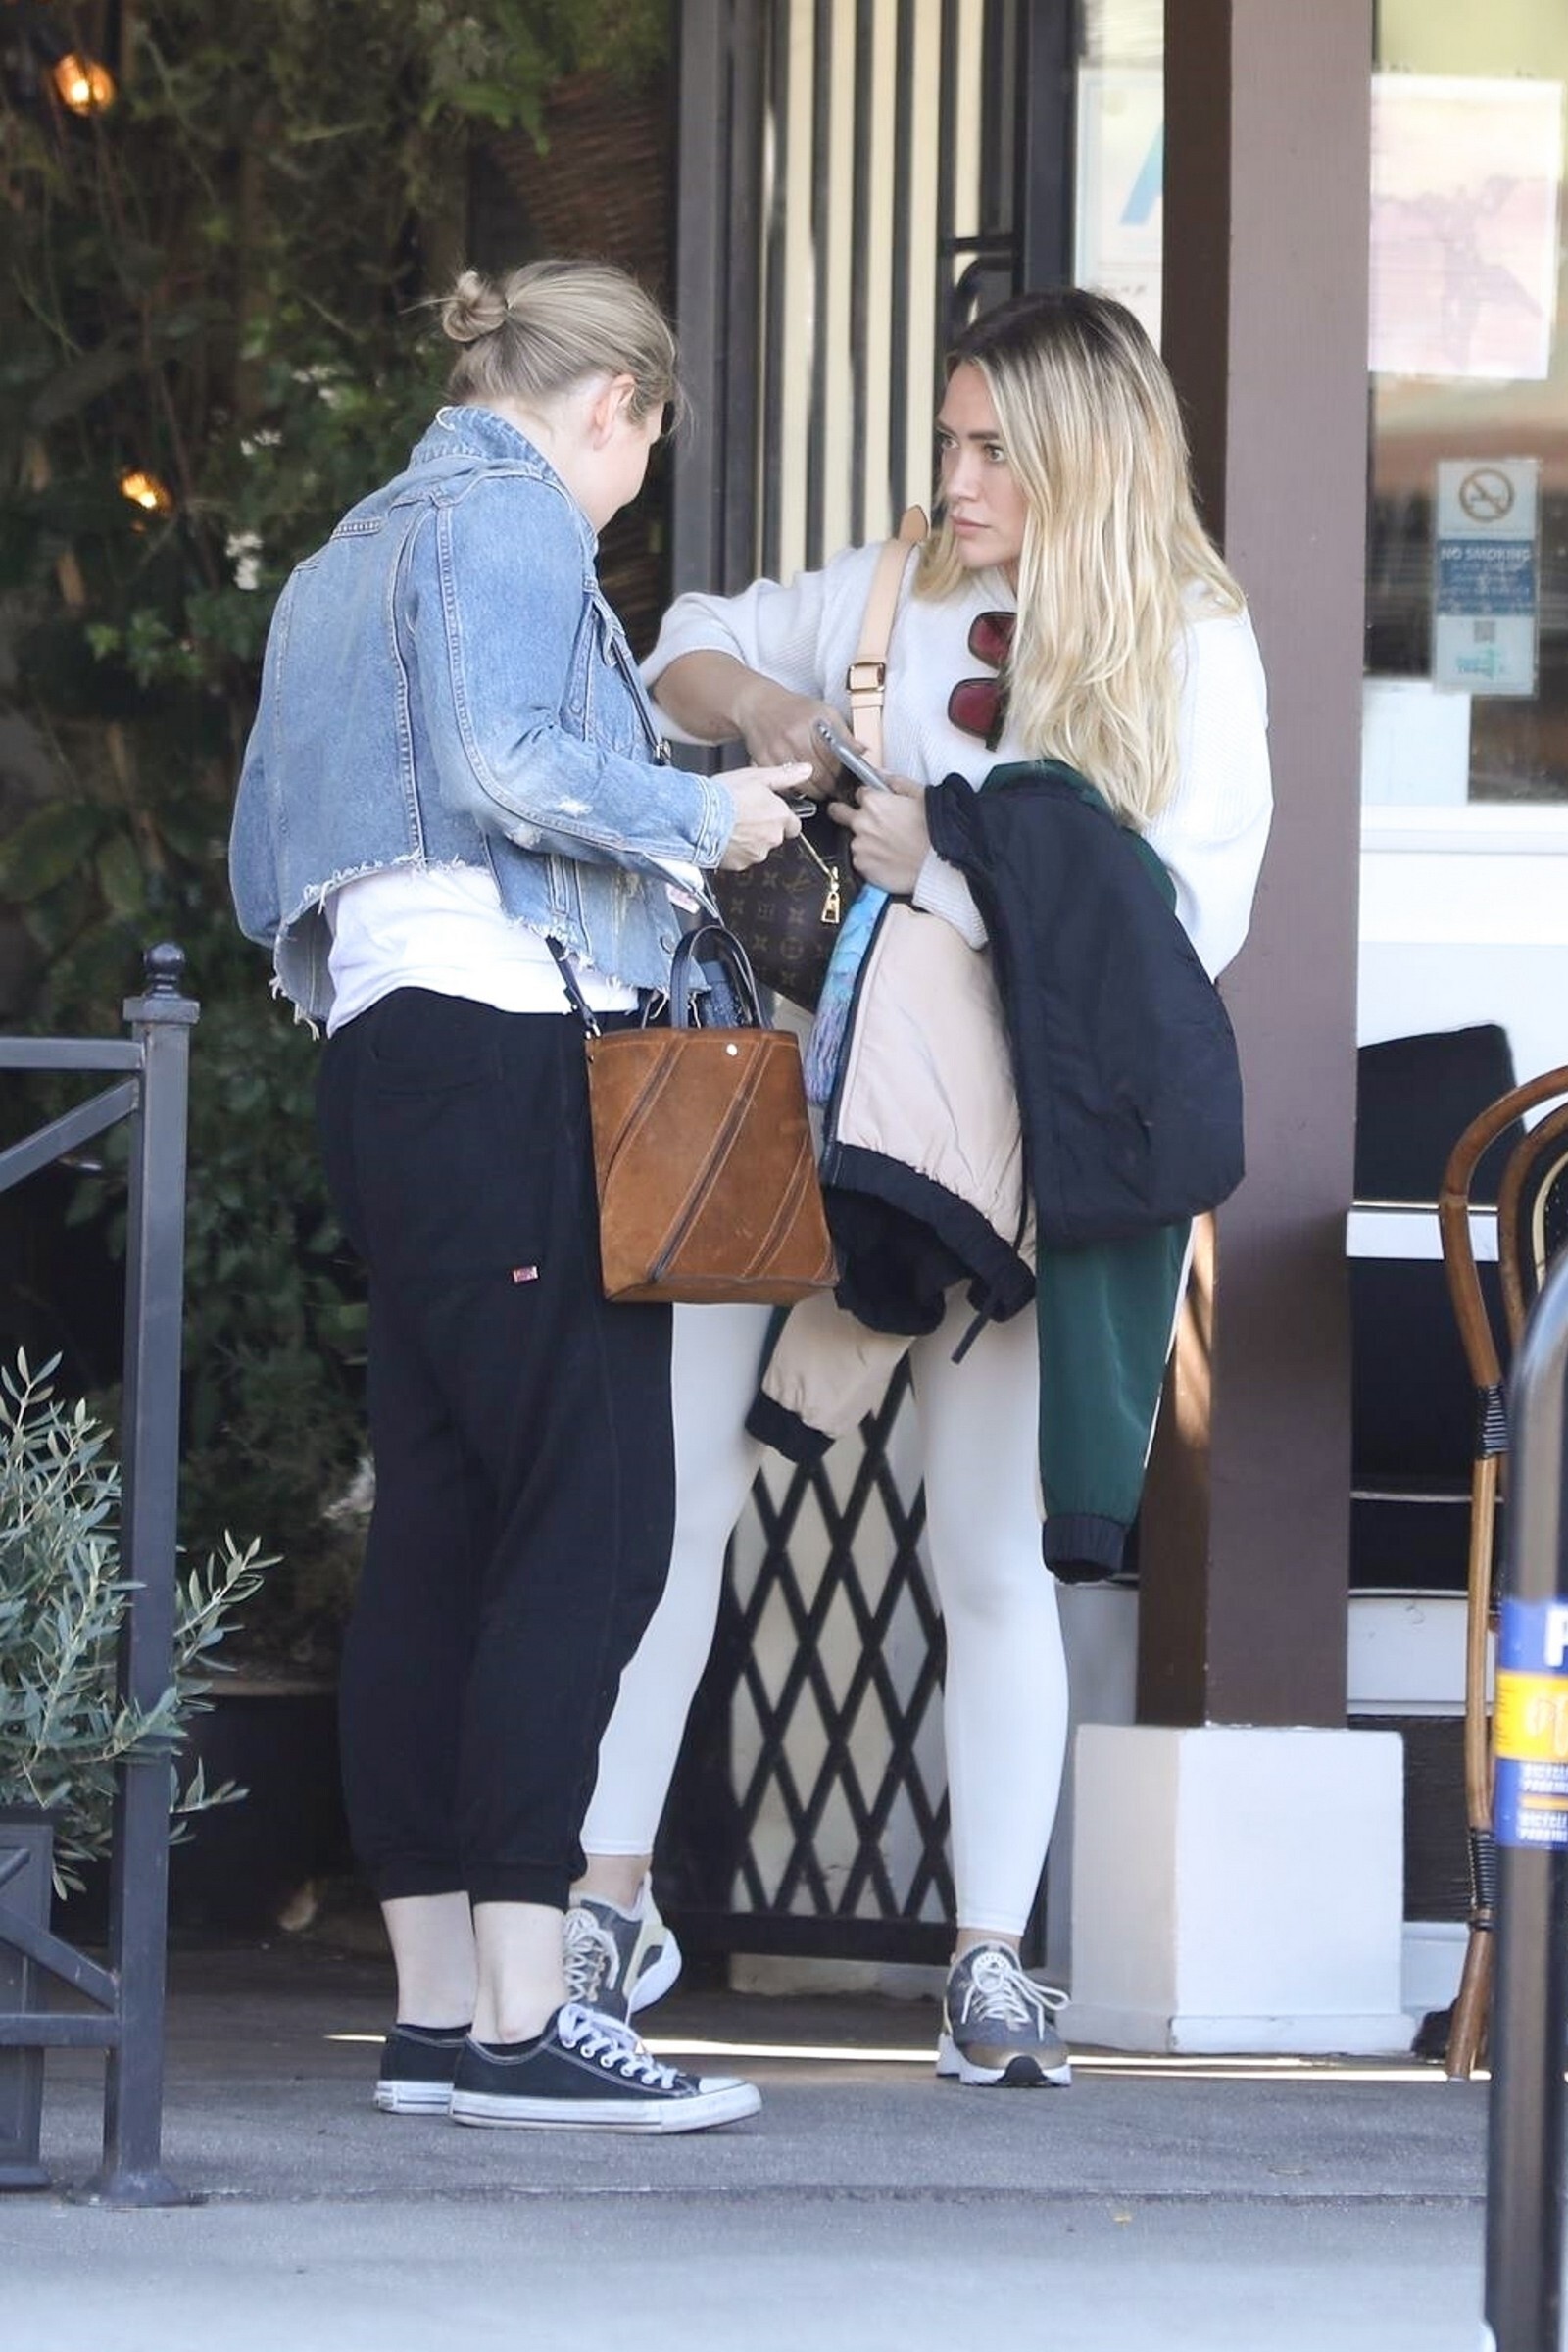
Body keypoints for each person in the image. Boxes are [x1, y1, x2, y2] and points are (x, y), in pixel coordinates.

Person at [566, 288, 1273, 2087]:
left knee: (988, 1551)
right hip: (790, 1110)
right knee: (673, 1502)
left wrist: (944, 858)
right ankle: (606, 1900)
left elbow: (1183, 936)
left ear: (1086, 456)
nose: (954, 480)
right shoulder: (893, 588)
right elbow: (681, 646)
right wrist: (776, 705)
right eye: (949, 441)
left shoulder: (1195, 646)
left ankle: (986, 1958)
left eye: (992, 450)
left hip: (1006, 1146)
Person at [228, 259, 814, 2132]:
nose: (629, 492)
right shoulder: (511, 517)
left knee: (445, 1520)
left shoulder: (339, 558)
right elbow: (507, 760)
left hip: (388, 1059)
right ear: (612, 405)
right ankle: (523, 2014)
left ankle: (435, 2012)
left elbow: (267, 847)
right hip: (507, 1056)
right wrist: (705, 814)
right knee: (596, 1521)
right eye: (644, 449)